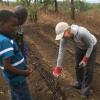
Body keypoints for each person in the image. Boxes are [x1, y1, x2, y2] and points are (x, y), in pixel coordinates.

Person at [53, 22, 97, 98]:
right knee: (77, 65)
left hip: (91, 47)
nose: (62, 37)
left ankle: (85, 91)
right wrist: (58, 66)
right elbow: (61, 51)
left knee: (88, 69)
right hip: (80, 47)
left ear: (68, 30)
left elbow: (91, 45)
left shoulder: (82, 33)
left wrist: (85, 59)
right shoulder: (65, 37)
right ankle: (79, 83)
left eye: (63, 35)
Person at [0, 10, 32, 100]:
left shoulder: (4, 38)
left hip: (13, 78)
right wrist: (24, 72)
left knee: (15, 95)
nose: (15, 28)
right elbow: (7, 66)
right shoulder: (5, 41)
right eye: (13, 25)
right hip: (17, 79)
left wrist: (23, 66)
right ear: (1, 24)